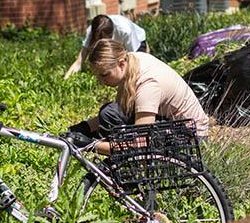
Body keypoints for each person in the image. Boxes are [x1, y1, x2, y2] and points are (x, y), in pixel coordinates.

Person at [70, 39, 209, 154]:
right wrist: (83, 128)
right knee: (110, 112)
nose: (101, 81)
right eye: (97, 76)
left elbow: (140, 143)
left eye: (105, 74)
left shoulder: (148, 85)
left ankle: (131, 167)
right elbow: (124, 109)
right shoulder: (131, 61)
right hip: (172, 124)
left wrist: (91, 145)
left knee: (110, 114)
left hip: (190, 136)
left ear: (121, 64)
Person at [64, 14, 148, 79]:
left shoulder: (125, 30)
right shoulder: (91, 31)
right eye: (98, 40)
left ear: (112, 35)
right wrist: (65, 82)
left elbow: (133, 58)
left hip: (138, 41)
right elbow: (79, 61)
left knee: (136, 69)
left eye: (104, 40)